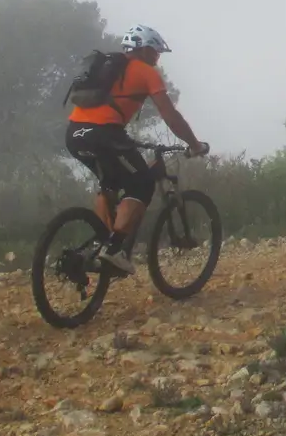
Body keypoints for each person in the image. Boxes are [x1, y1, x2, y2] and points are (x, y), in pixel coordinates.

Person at [64, 24, 209, 274]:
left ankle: (101, 242)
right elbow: (170, 115)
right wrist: (194, 144)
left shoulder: (109, 68)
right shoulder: (145, 72)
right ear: (143, 50)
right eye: (155, 52)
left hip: (75, 134)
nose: (157, 58)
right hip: (104, 135)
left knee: (108, 183)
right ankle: (114, 249)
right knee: (141, 184)